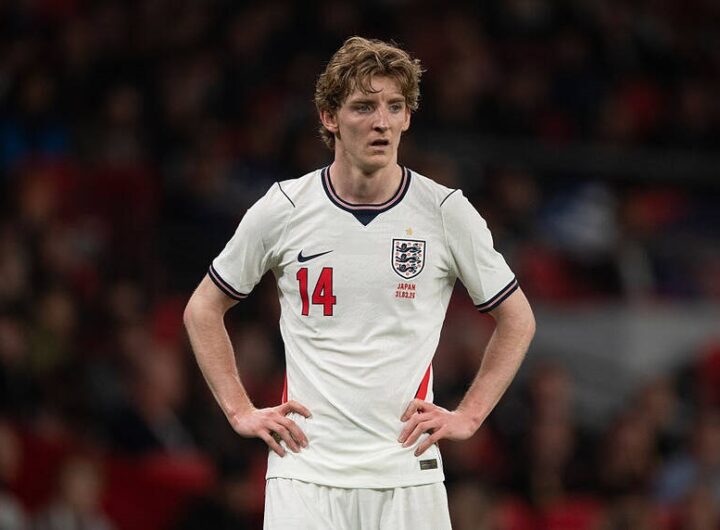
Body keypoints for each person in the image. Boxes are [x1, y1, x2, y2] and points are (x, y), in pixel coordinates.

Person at [184, 36, 535, 529]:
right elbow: (202, 309)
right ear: (329, 117)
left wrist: (469, 415)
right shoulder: (285, 207)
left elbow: (517, 318)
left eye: (395, 106)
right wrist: (239, 410)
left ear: (408, 117)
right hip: (304, 470)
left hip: (406, 473)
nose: (382, 121)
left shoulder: (443, 211)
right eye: (364, 107)